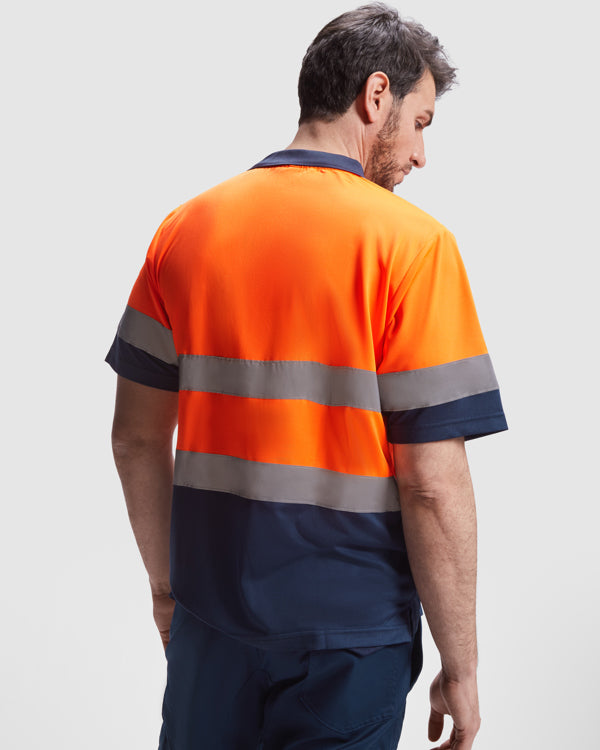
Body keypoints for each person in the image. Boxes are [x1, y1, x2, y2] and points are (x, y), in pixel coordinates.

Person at [107, 3, 507, 748]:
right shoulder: (412, 246)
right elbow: (430, 482)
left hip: (210, 629)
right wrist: (461, 665)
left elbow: (134, 439)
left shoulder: (184, 230)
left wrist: (168, 593)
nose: (421, 156)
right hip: (349, 642)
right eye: (421, 124)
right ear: (376, 95)